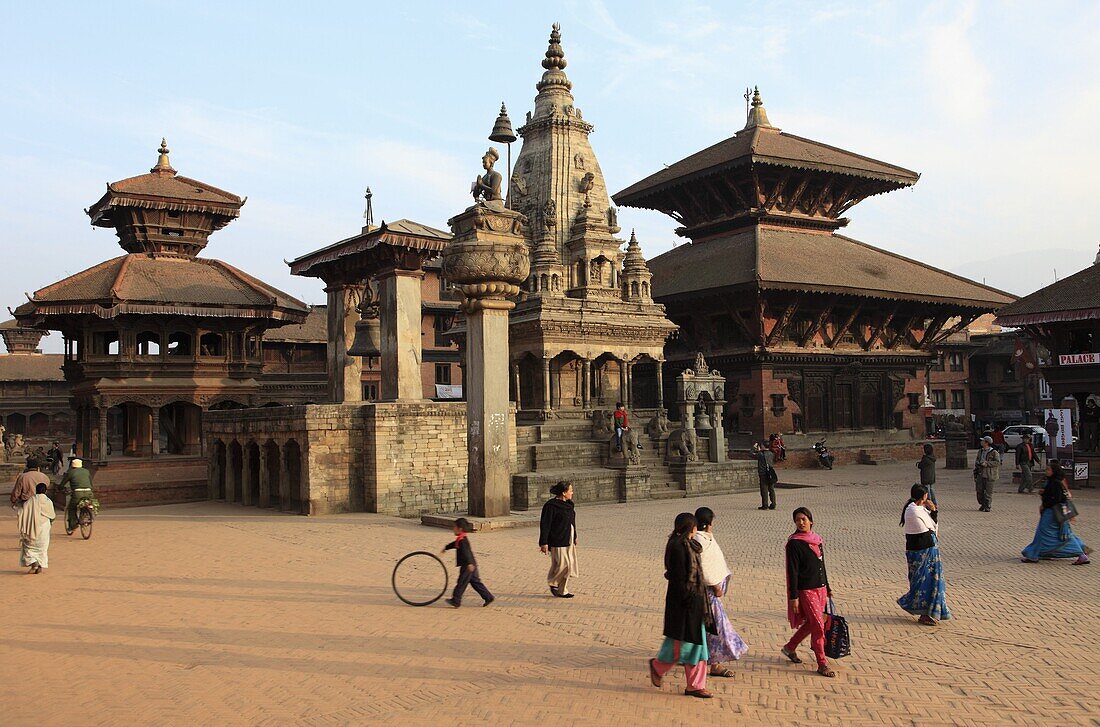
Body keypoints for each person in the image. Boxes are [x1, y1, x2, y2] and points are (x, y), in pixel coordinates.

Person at [648, 512, 712, 699]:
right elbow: (679, 580)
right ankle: (658, 667)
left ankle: (694, 685)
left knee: (697, 646)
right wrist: (689, 602)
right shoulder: (678, 548)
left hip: (695, 602)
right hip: (685, 604)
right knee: (682, 646)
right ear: (691, 528)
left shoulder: (689, 545)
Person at [693, 507, 748, 678]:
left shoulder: (703, 538)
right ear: (709, 524)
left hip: (704, 594)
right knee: (717, 629)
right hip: (707, 594)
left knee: (703, 629)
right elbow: (705, 568)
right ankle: (715, 664)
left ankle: (690, 658)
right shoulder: (700, 541)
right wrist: (716, 585)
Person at [781, 507, 835, 678]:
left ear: (811, 521)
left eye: (804, 519)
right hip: (806, 590)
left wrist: (828, 586)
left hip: (820, 588)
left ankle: (790, 647)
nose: (801, 522)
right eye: (798, 520)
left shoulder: (817, 540)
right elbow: (793, 571)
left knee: (813, 623)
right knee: (818, 625)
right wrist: (794, 596)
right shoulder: (794, 543)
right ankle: (822, 663)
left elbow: (822, 565)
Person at [897, 485, 951, 625]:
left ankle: (928, 612)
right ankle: (922, 611)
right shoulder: (914, 511)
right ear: (924, 496)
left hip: (926, 550)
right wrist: (932, 511)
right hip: (923, 551)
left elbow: (931, 524)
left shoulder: (918, 509)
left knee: (930, 582)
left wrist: (933, 511)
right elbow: (931, 528)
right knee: (925, 582)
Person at [1021, 462, 1091, 565]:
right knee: (1047, 534)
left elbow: (1056, 499)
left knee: (1054, 535)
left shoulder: (1056, 483)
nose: (1046, 471)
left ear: (1054, 471)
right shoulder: (1051, 481)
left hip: (1052, 513)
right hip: (1052, 513)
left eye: (1048, 469)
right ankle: (1037, 554)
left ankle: (1081, 554)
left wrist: (1045, 500)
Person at [441, 517, 494, 607]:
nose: (453, 529)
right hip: (471, 564)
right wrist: (446, 547)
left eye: (455, 527)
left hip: (468, 566)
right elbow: (454, 544)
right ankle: (488, 597)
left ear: (460, 529)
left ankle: (456, 600)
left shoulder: (462, 541)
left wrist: (469, 563)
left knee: (461, 582)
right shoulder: (461, 539)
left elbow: (467, 552)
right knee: (475, 582)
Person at [539, 481, 578, 598]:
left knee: (569, 565)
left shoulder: (569, 504)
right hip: (557, 539)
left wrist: (575, 536)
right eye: (570, 490)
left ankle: (562, 590)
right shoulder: (551, 506)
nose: (572, 492)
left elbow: (572, 521)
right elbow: (545, 524)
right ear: (564, 492)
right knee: (562, 564)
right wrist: (544, 542)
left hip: (568, 538)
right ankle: (553, 582)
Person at [19, 483, 56, 574]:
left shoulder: (30, 501)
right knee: (42, 547)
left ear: (36, 490)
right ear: (45, 491)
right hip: (44, 526)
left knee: (29, 546)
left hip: (32, 527)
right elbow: (52, 515)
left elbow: (23, 513)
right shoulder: (48, 501)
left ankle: (34, 563)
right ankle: (39, 565)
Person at [60, 458, 95, 533]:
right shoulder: (86, 471)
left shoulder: (71, 472)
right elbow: (91, 484)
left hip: (77, 493)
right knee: (88, 503)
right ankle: (88, 514)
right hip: (89, 492)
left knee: (72, 508)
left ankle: (73, 525)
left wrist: (60, 488)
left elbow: (63, 483)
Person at [973, 435, 1000, 512]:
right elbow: (977, 460)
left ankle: (987, 505)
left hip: (989, 474)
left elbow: (997, 462)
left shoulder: (994, 452)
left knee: (988, 492)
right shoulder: (980, 451)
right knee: (979, 491)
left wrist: (987, 463)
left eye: (983, 441)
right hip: (980, 473)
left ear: (987, 443)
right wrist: (977, 467)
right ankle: (982, 503)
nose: (981, 442)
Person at [754, 443, 777, 511]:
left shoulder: (761, 454)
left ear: (763, 446)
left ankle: (765, 505)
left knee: (764, 489)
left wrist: (754, 448)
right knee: (771, 489)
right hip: (770, 472)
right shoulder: (771, 453)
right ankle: (773, 504)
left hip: (763, 473)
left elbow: (751, 454)